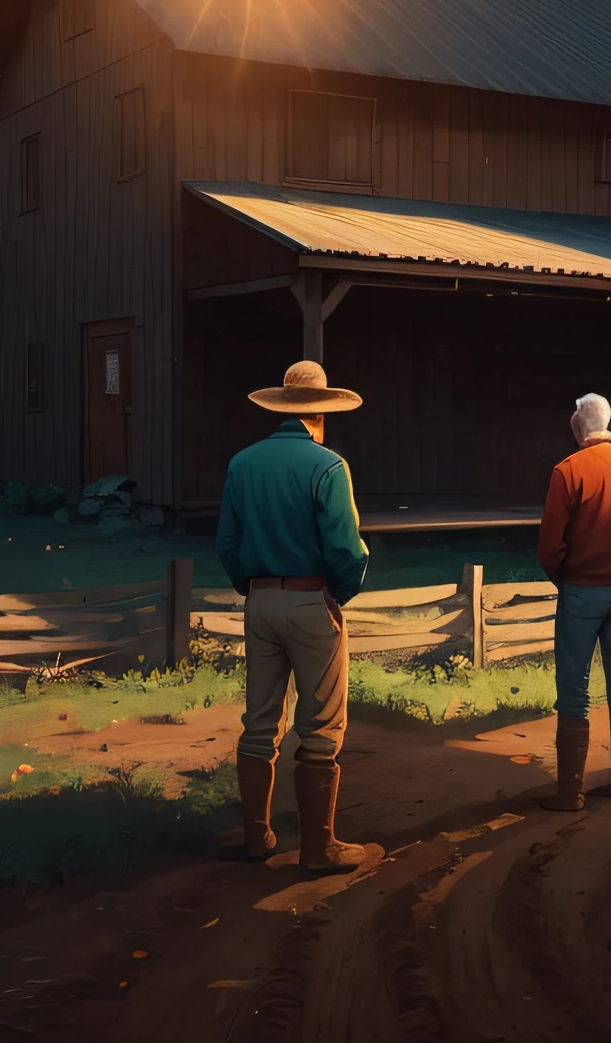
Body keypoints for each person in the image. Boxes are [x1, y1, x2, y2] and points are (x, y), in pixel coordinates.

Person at [215, 359, 374, 872]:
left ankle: (257, 836)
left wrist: (252, 587)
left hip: (259, 601)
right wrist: (337, 595)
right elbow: (346, 550)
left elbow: (227, 543)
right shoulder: (328, 466)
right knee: (322, 726)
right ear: (321, 413)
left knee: (259, 722)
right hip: (312, 600)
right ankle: (318, 847)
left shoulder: (242, 463)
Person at [535, 391, 611, 812]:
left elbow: (550, 543)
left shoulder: (567, 471)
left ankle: (570, 793)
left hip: (581, 591)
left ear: (576, 426)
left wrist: (565, 578)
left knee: (574, 691)